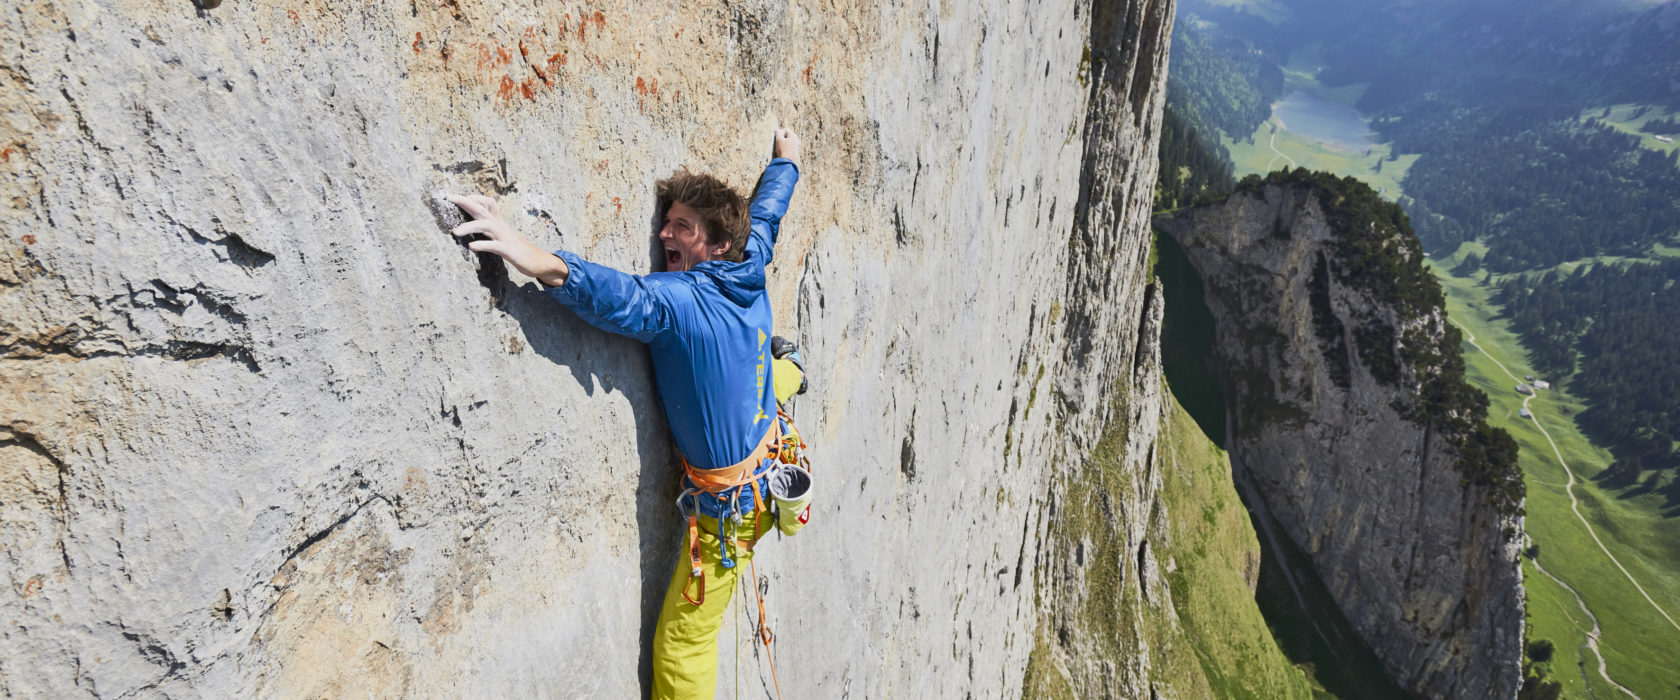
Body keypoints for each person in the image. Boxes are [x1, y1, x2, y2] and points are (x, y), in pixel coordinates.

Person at [447, 127, 803, 699]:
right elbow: (766, 218)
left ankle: (785, 371)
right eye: (666, 221)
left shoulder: (680, 302)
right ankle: (788, 371)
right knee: (773, 369)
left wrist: (521, 249)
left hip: (730, 515)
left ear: (715, 245)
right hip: (767, 443)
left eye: (681, 227)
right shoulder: (748, 260)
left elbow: (615, 295)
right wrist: (786, 164)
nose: (663, 231)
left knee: (683, 642)